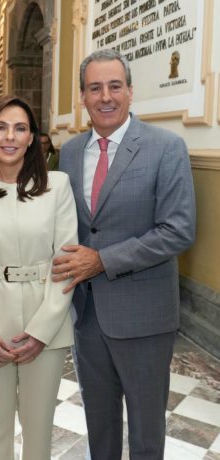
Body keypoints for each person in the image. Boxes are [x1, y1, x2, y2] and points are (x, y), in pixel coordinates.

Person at [52, 49, 196, 459]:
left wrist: (102, 260)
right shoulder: (71, 152)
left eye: (115, 86)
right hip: (87, 315)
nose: (105, 96)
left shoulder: (166, 147)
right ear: (82, 97)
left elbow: (178, 230)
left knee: (146, 434)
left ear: (130, 91)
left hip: (144, 315)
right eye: (94, 88)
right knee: (99, 426)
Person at [0, 95, 78, 460]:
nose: (10, 136)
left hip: (45, 319)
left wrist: (41, 331)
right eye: (1, 127)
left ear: (32, 138)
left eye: (20, 128)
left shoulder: (57, 185)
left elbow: (66, 263)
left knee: (38, 428)